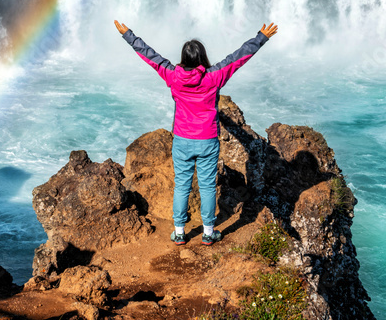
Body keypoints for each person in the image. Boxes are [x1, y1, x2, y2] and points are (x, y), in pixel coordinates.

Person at [114, 19, 278, 246]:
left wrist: (128, 35)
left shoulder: (173, 75)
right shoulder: (214, 76)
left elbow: (151, 56)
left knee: (182, 184)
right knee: (208, 186)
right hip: (207, 140)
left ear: (183, 58)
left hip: (182, 139)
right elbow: (239, 57)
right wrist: (261, 37)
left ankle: (180, 233)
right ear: (202, 58)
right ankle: (208, 233)